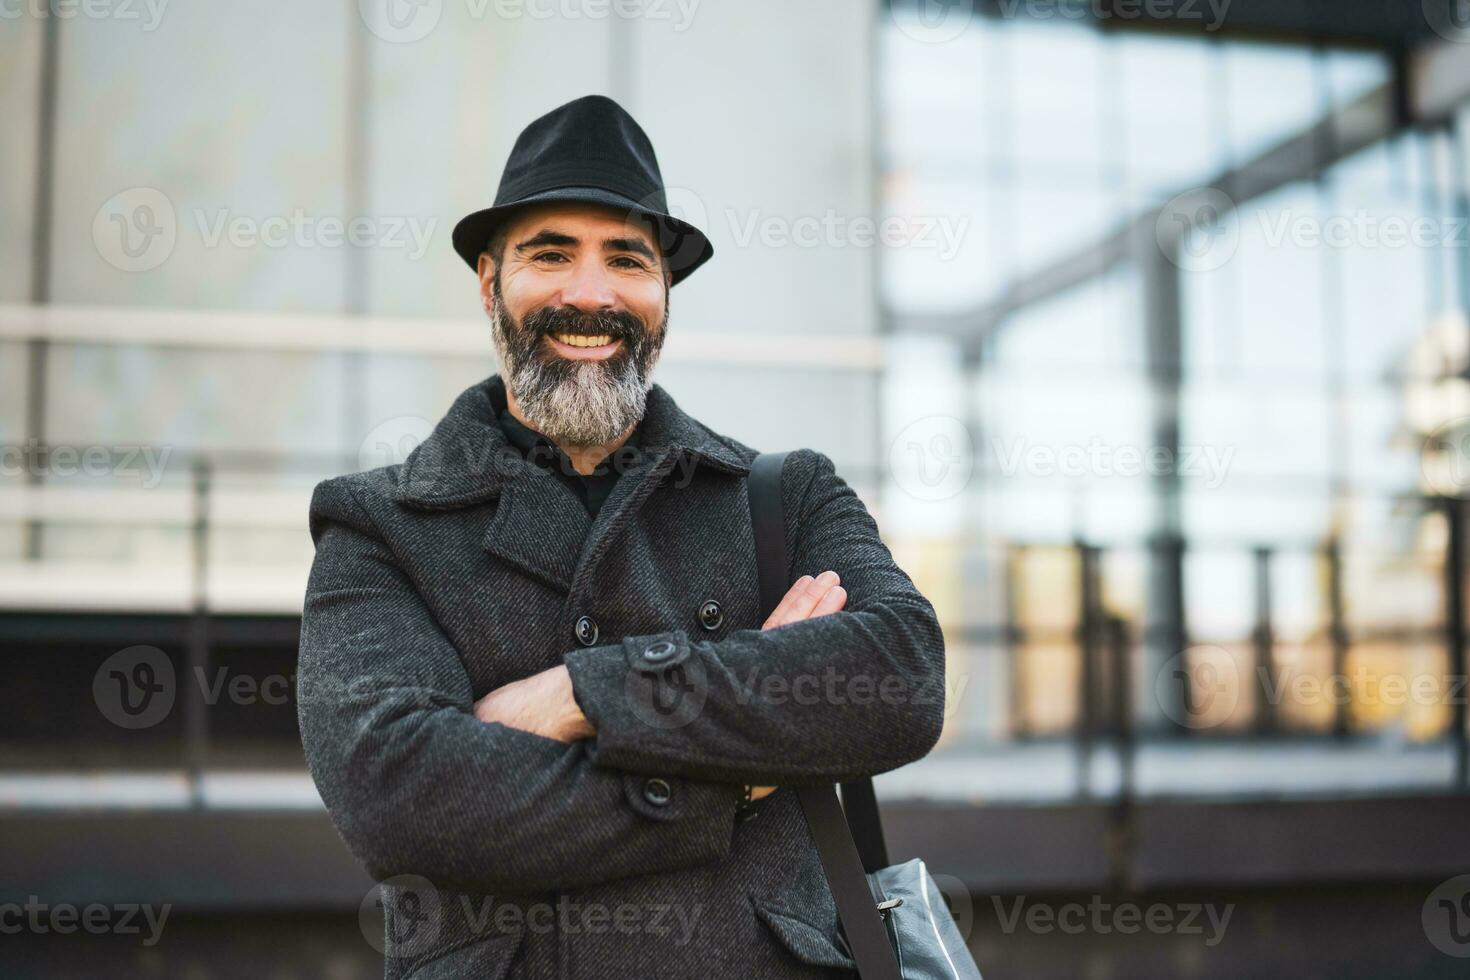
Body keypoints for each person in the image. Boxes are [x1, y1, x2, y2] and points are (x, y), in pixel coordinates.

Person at [297, 93, 946, 979]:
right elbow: (402, 797)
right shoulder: (380, 525)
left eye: (627, 260)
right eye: (550, 254)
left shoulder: (782, 495)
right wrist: (739, 777)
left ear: (664, 293)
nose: (591, 294)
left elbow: (902, 676)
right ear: (489, 282)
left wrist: (577, 693)